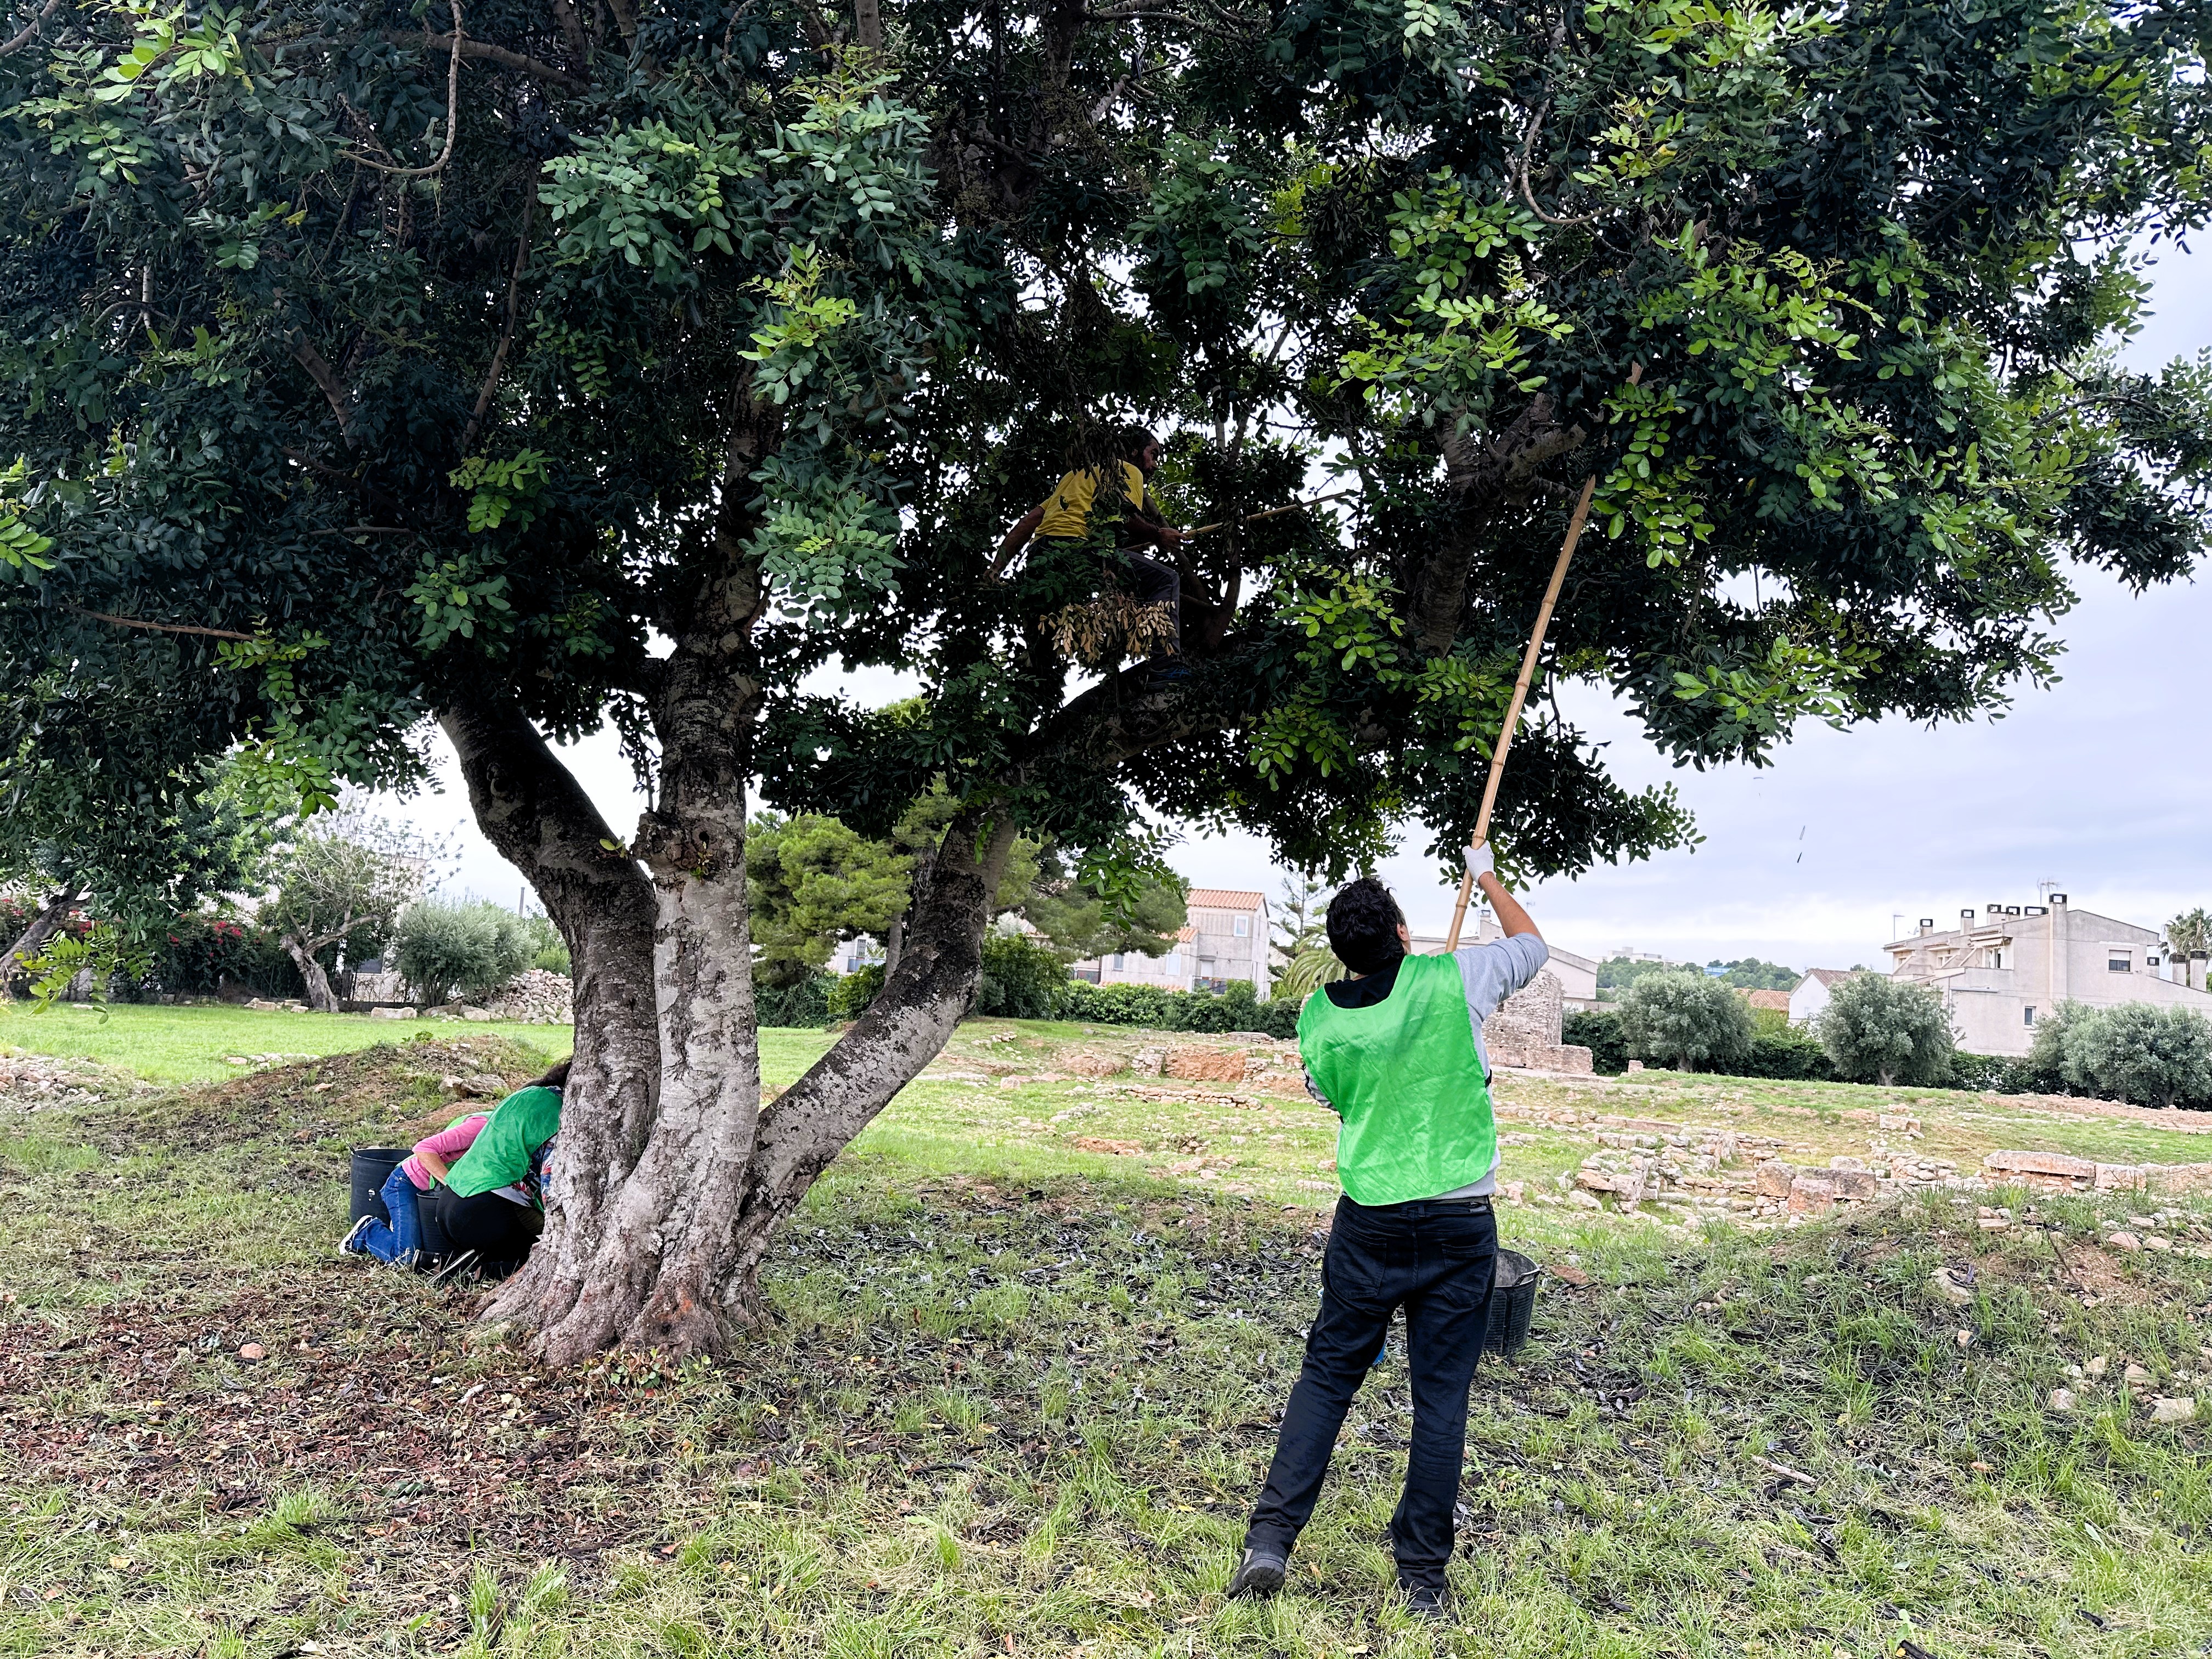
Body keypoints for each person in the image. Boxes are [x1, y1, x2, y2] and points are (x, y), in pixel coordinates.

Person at [1226, 842, 1546, 1622]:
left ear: (1343, 952)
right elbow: (1532, 947)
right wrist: (1486, 875)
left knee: (1329, 1377)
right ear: (1403, 932)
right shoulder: (1455, 981)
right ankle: (1422, 1579)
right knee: (1441, 1400)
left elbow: (1333, 1096)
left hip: (1369, 1221)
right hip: (1460, 1221)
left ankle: (1271, 1539)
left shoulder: (1317, 1018)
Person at [995, 425, 1188, 676]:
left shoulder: (1073, 477)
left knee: (1045, 642)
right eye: (1153, 454)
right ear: (1133, 451)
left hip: (1041, 556)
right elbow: (1123, 516)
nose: (1155, 464)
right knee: (1165, 579)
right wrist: (1158, 534)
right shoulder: (1128, 470)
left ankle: (1036, 681)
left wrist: (996, 568)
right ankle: (1165, 669)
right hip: (1080, 548)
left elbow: (1029, 522)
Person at [421, 1059, 568, 1266]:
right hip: (489, 1209)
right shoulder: (562, 1113)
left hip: (449, 1202)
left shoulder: (523, 1095)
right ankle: (477, 1269)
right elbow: (551, 1183)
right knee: (554, 1248)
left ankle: (448, 1264)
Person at [340, 1108, 492, 1266]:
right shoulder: (481, 1127)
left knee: (431, 1251)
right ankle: (366, 1232)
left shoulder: (509, 1143)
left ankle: (403, 1226)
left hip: (430, 1196)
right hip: (405, 1184)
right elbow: (424, 1149)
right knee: (406, 1258)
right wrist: (451, 1186)